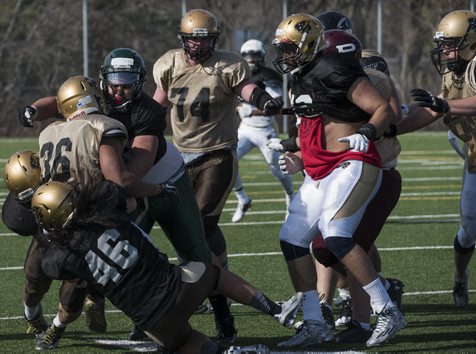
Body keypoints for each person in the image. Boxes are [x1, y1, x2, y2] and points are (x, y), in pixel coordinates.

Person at [18, 47, 235, 344]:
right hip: (126, 188)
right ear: (103, 81)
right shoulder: (94, 101)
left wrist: (110, 189)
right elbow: (57, 104)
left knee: (196, 252)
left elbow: (134, 169)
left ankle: (225, 319)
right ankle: (123, 312)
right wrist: (32, 110)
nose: (119, 90)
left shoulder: (147, 112)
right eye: (114, 82)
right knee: (122, 257)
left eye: (127, 82)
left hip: (164, 183)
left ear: (140, 82)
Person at [29, 180, 302, 354]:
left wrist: (53, 235)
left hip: (153, 321)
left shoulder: (60, 257)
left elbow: (52, 263)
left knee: (183, 343)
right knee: (214, 274)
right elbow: (110, 188)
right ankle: (277, 311)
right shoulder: (105, 207)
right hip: (180, 288)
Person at [269, 13, 405, 348]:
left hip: (353, 162)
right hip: (322, 170)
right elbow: (318, 130)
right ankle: (315, 320)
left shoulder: (336, 68)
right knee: (291, 239)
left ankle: (386, 309)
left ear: (310, 44)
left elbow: (383, 109)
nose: (284, 55)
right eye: (282, 48)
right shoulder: (301, 77)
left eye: (289, 48)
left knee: (336, 233)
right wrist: (294, 151)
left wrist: (367, 132)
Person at [151, 9, 282, 343]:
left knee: (195, 226)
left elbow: (247, 88)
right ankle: (220, 300)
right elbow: (157, 108)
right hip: (180, 158)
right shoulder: (169, 64)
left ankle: (215, 307)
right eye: (195, 37)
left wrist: (264, 99)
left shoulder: (228, 64)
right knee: (202, 232)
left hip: (217, 155)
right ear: (183, 38)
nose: (200, 43)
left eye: (206, 37)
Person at [31, 75, 179, 350]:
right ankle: (158, 326)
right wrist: (158, 189)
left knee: (66, 274)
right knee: (135, 268)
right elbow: (119, 180)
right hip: (90, 212)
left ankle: (54, 325)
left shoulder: (49, 132)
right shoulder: (102, 125)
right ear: (89, 100)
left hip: (54, 214)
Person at [396, 10, 476, 309]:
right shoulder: (455, 69)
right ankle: (461, 275)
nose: (444, 50)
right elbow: (436, 108)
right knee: (469, 230)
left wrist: (444, 103)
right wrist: (393, 130)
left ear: (471, 41)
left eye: (450, 43)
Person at [2, 150, 89, 348]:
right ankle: (32, 319)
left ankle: (56, 330)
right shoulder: (22, 207)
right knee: (33, 281)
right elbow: (24, 220)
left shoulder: (67, 184)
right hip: (46, 240)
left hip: (75, 242)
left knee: (72, 297)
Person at [231, 39, 294, 223]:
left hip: (264, 130)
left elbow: (276, 105)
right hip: (245, 129)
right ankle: (243, 199)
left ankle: (290, 197)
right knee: (228, 160)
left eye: (255, 55)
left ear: (262, 57)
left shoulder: (268, 76)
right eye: (247, 56)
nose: (250, 59)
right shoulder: (238, 74)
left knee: (278, 170)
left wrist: (252, 110)